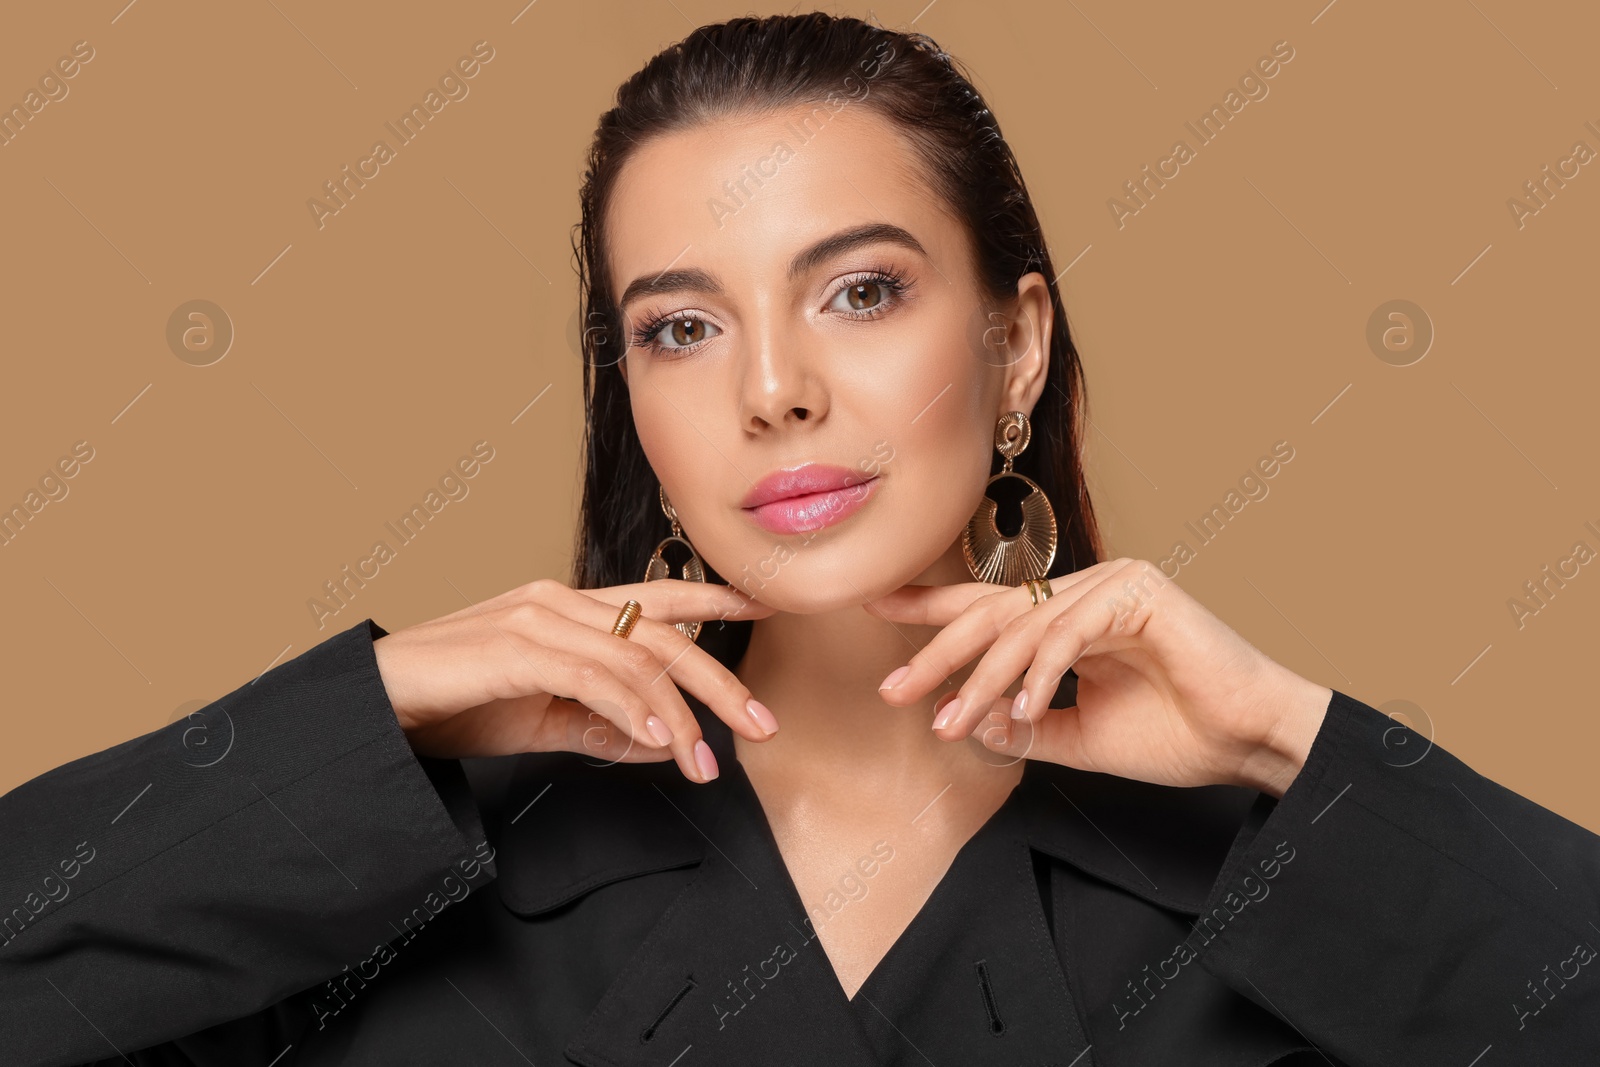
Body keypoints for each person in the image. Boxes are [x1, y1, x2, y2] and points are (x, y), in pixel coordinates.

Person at [2, 12, 1596, 1067]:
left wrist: (1289, 744)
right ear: (630, 396)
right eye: (682, 328)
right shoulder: (415, 876)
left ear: (1017, 341)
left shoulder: (1284, 881)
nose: (775, 390)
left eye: (861, 292)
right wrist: (370, 724)